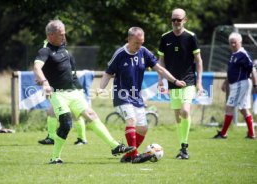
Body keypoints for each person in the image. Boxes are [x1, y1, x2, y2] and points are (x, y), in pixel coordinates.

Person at [33, 19, 135, 164]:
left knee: (91, 115)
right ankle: (55, 158)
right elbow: (37, 67)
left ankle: (115, 146)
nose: (64, 37)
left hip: (74, 92)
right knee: (66, 124)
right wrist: (44, 82)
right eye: (61, 34)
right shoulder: (45, 51)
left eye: (64, 33)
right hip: (58, 94)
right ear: (50, 35)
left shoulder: (63, 47)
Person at [98, 27, 186, 163]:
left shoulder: (144, 52)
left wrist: (174, 80)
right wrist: (101, 88)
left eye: (141, 43)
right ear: (128, 39)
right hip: (122, 94)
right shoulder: (120, 54)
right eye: (136, 43)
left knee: (143, 128)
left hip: (136, 96)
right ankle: (134, 156)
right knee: (131, 120)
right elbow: (108, 73)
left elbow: (160, 69)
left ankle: (128, 156)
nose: (139, 46)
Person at [157, 8, 203, 160]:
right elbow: (161, 61)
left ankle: (185, 145)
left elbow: (198, 60)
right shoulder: (165, 37)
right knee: (177, 116)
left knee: (185, 111)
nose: (176, 22)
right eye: (173, 20)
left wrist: (199, 82)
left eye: (179, 19)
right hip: (172, 81)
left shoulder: (191, 37)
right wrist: (160, 79)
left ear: (185, 20)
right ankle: (182, 147)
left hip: (188, 81)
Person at [213, 32, 256, 139]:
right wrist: (225, 82)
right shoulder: (234, 54)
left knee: (229, 107)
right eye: (231, 43)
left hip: (241, 83)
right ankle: (251, 133)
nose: (232, 45)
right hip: (236, 84)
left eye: (234, 43)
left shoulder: (243, 54)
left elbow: (253, 70)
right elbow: (232, 71)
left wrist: (256, 85)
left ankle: (223, 133)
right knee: (243, 109)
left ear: (240, 42)